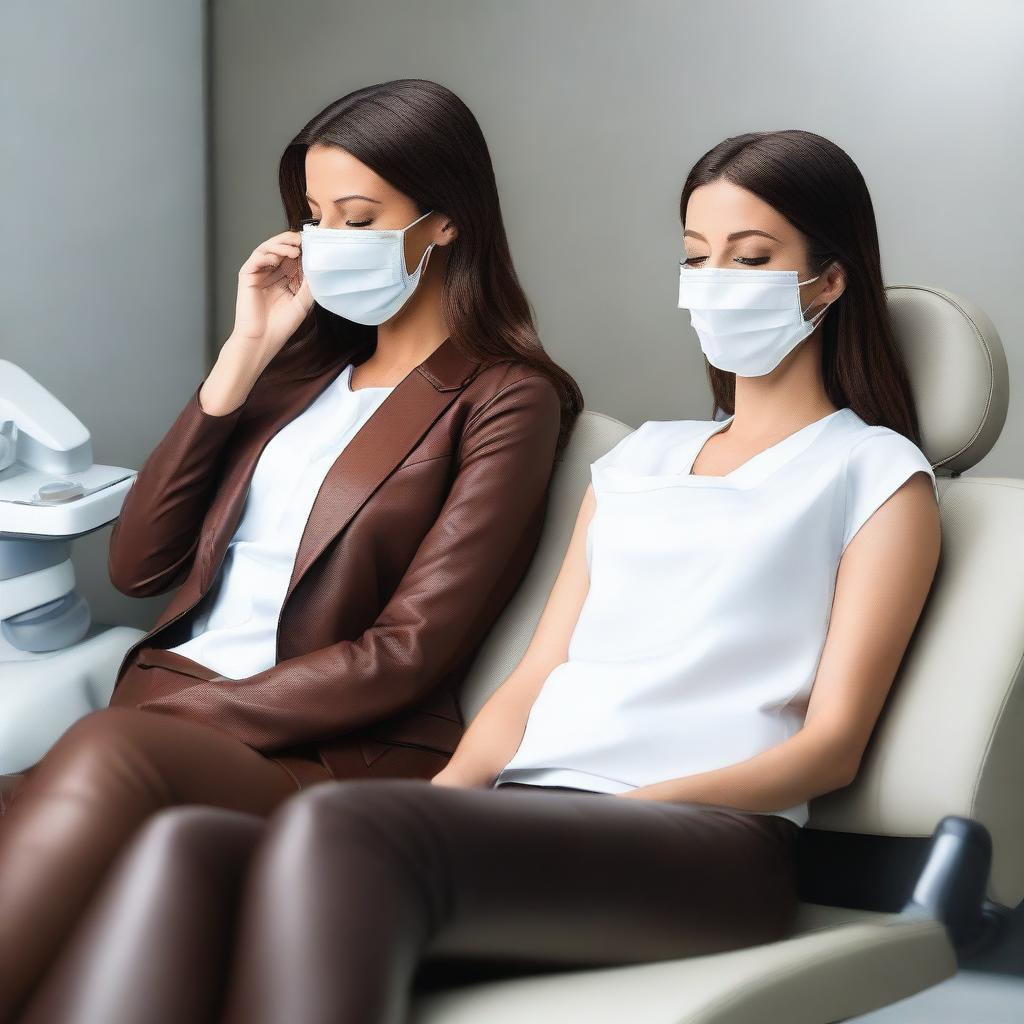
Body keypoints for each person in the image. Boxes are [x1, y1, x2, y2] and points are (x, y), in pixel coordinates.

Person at [15, 129, 941, 1024]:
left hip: (709, 845)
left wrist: (621, 810)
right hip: (531, 813)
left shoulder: (875, 476)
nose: (712, 286)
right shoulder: (640, 461)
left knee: (339, 830)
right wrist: (455, 796)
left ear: (827, 281)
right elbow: (533, 681)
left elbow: (831, 746)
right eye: (697, 258)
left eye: (750, 259)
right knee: (187, 847)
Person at [0, 78, 581, 1020]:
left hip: (322, 749)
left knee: (100, 764)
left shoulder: (505, 398)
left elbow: (410, 652)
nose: (327, 242)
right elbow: (137, 567)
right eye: (314, 216)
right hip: (153, 722)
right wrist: (243, 352)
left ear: (444, 224)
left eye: (359, 217)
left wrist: (197, 718)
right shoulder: (294, 373)